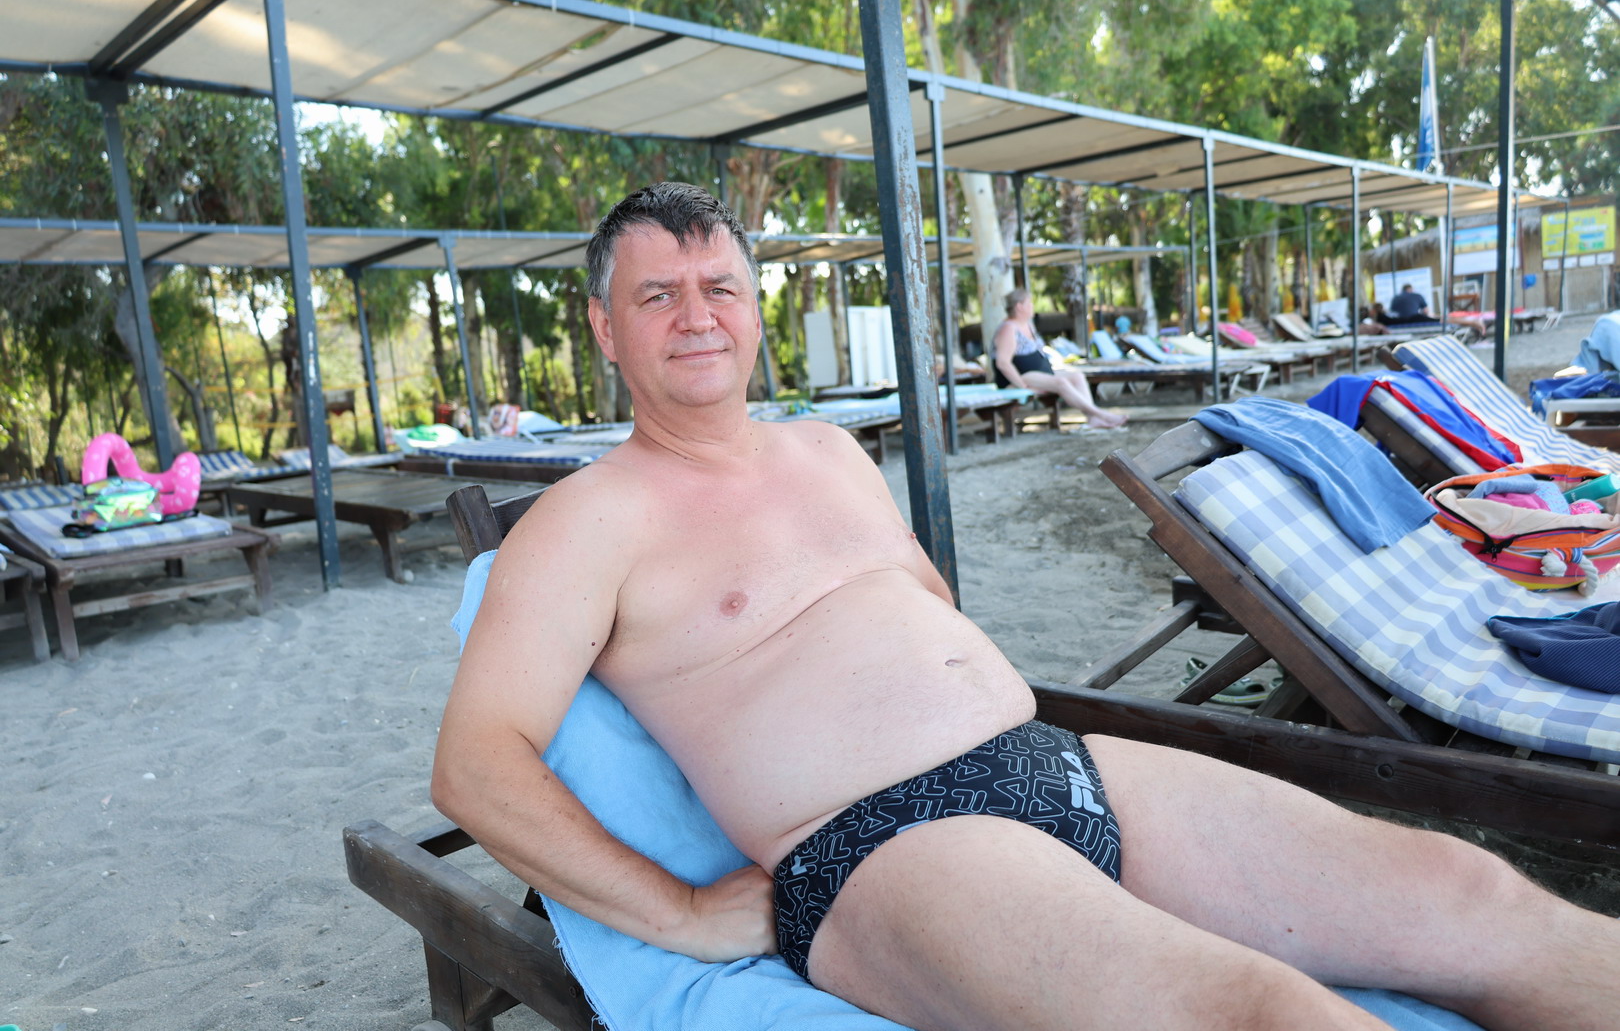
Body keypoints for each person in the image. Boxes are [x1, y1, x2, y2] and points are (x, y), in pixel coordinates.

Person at [434, 182, 1620, 1031]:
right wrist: (682, 913)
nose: (697, 315)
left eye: (720, 287)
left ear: (752, 307)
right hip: (878, 851)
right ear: (604, 327)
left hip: (1053, 762)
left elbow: (920, 613)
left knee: (1470, 893)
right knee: (1256, 1012)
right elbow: (478, 767)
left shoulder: (828, 452)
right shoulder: (586, 520)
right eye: (657, 296)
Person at [991, 289, 1127, 429]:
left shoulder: (1028, 324)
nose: (1032, 306)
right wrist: (1022, 386)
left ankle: (1092, 418)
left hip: (1040, 372)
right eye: (1029, 303)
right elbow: (1002, 363)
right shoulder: (1008, 329)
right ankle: (1101, 414)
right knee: (1061, 383)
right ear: (1019, 306)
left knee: (1077, 376)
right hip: (1020, 377)